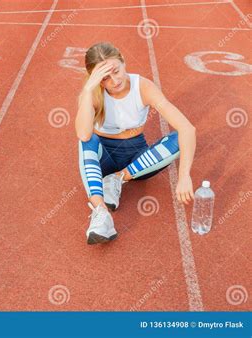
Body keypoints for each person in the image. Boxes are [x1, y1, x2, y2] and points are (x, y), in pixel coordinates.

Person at [75, 42, 196, 245]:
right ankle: (101, 213)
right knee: (87, 140)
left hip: (136, 159)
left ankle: (118, 178)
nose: (114, 81)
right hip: (104, 155)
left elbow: (187, 129)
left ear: (123, 60)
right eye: (105, 78)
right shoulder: (93, 94)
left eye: (116, 71)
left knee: (178, 140)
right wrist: (88, 89)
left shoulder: (144, 87)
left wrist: (184, 176)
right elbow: (83, 133)